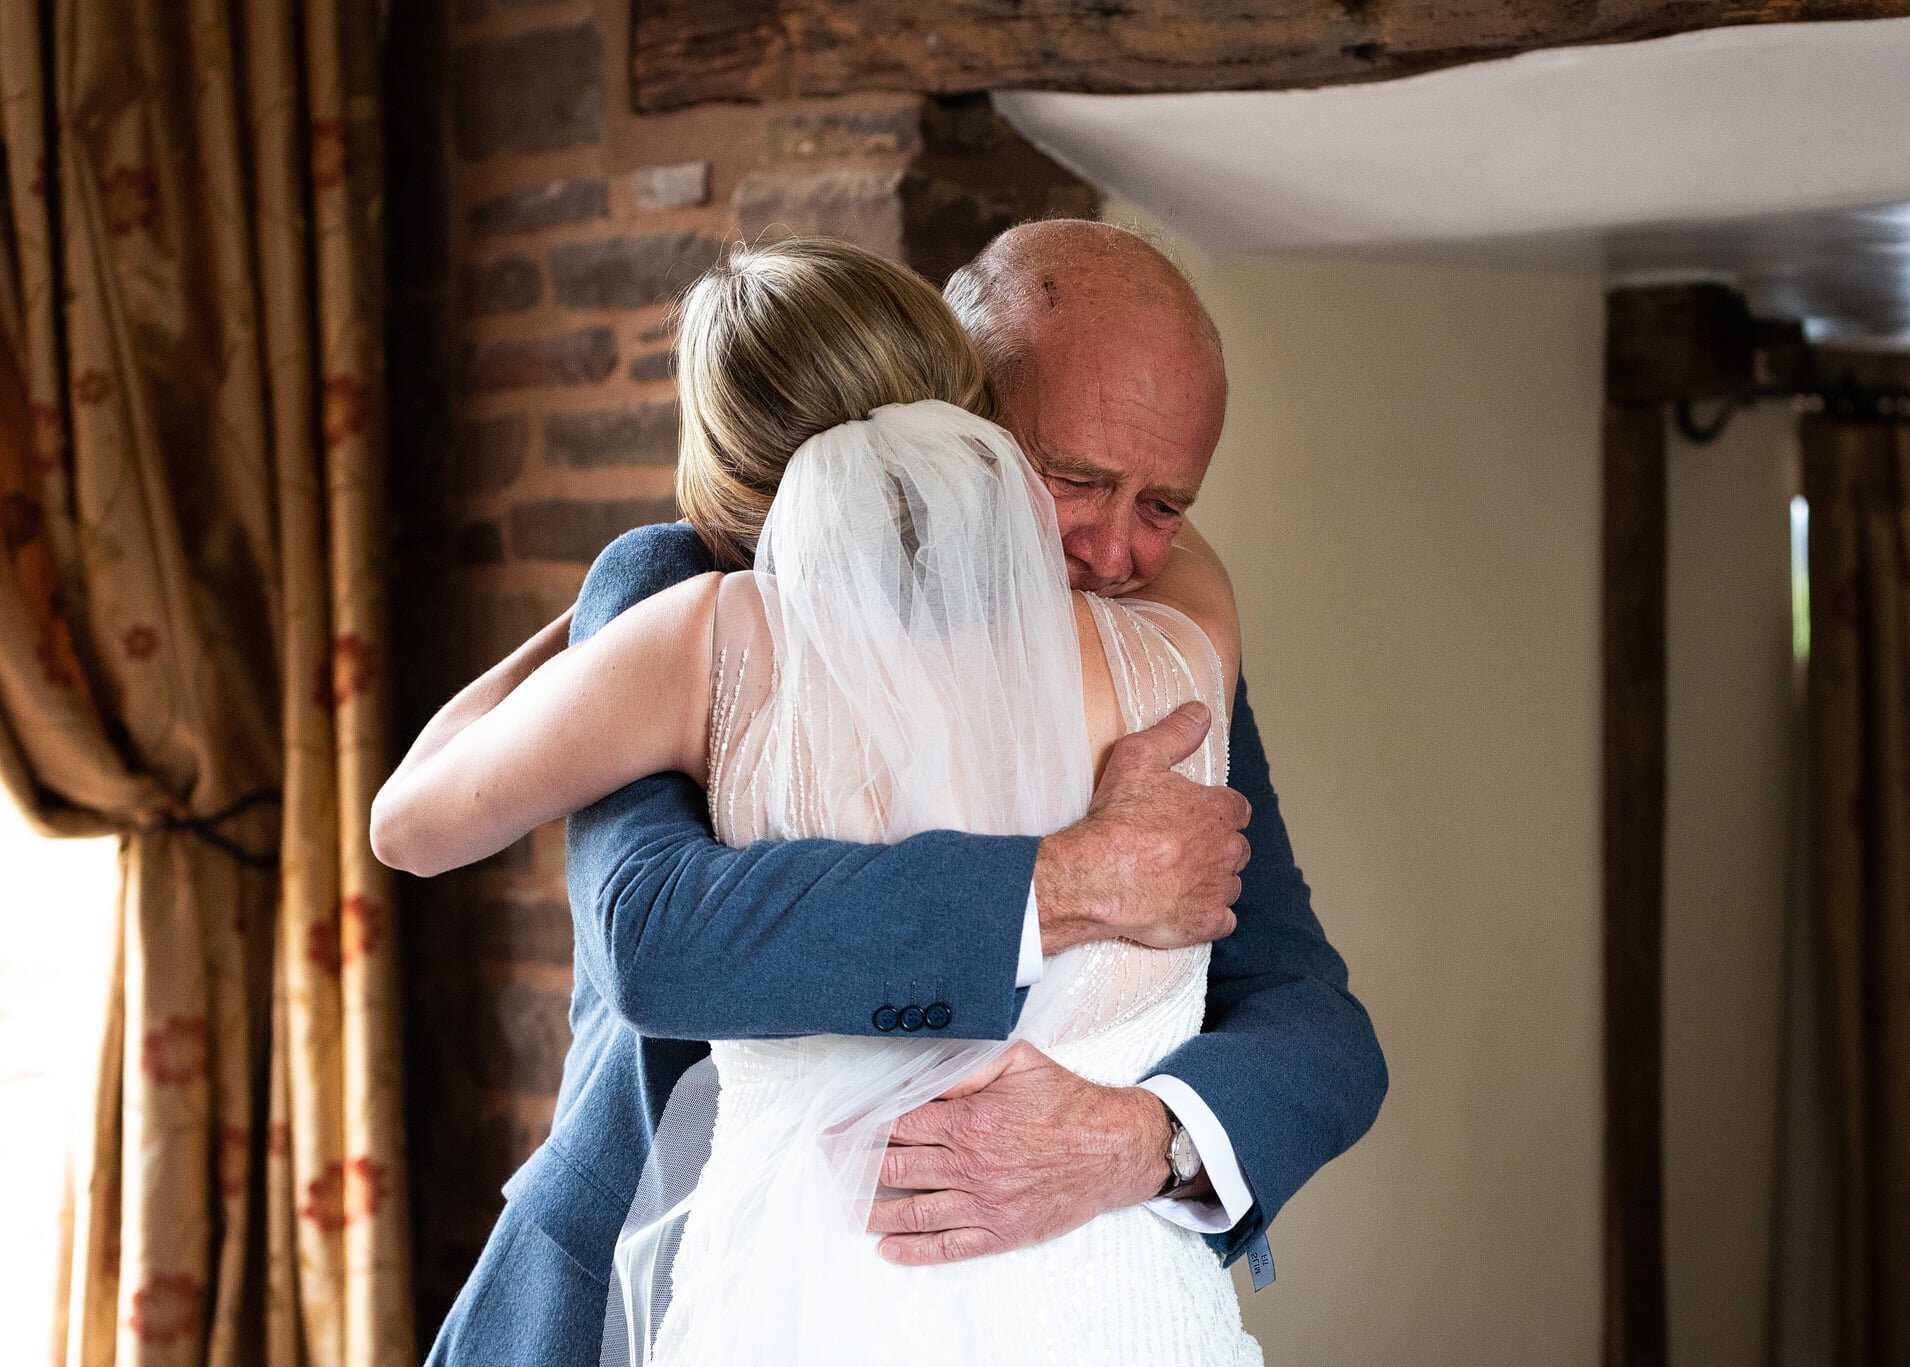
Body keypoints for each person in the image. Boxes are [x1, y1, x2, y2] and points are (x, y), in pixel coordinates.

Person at [392, 222, 1387, 1365]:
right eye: (1073, 480)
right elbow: (654, 937)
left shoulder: (1157, 655)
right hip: (621, 1286)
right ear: (955, 405)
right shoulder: (686, 593)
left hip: (1050, 1303)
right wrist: (1055, 884)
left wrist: (1138, 1137)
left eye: (1165, 504)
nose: (1116, 550)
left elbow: (1313, 1016)